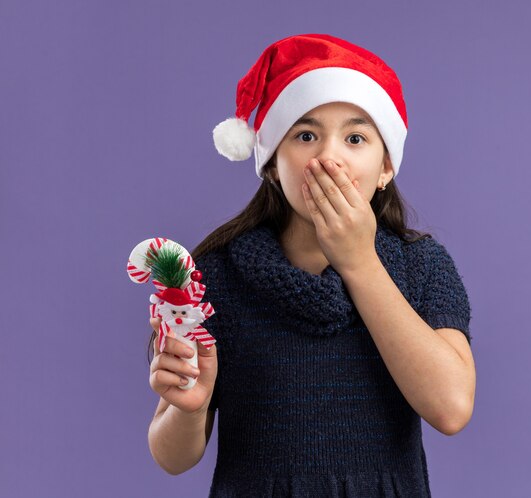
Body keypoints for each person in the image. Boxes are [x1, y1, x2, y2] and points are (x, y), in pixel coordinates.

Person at [146, 33, 476, 497]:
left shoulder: (421, 266)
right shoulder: (214, 277)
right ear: (272, 163)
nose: (329, 158)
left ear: (385, 168)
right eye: (305, 135)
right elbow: (171, 457)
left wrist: (360, 262)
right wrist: (189, 408)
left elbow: (451, 408)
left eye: (356, 137)